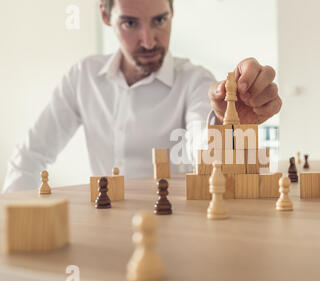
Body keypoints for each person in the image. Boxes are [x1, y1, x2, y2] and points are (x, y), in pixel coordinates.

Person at [2, 0, 282, 193]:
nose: (148, 41)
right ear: (104, 15)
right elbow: (31, 154)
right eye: (130, 23)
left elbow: (201, 142)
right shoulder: (82, 76)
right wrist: (13, 219)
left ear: (172, 12)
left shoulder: (195, 80)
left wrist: (226, 125)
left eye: (159, 20)